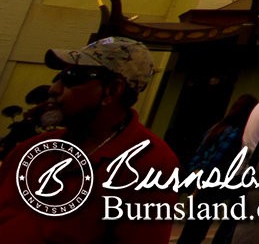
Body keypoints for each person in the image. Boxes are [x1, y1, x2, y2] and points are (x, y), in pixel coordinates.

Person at [0, 37, 180, 244]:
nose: (54, 88)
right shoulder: (32, 148)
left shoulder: (149, 163)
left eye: (72, 77)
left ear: (112, 91)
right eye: (59, 76)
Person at [177, 94, 258, 244]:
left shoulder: (217, 128)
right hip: (215, 184)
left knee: (191, 231)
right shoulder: (239, 134)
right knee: (201, 230)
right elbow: (219, 160)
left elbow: (199, 153)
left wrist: (196, 174)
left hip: (203, 182)